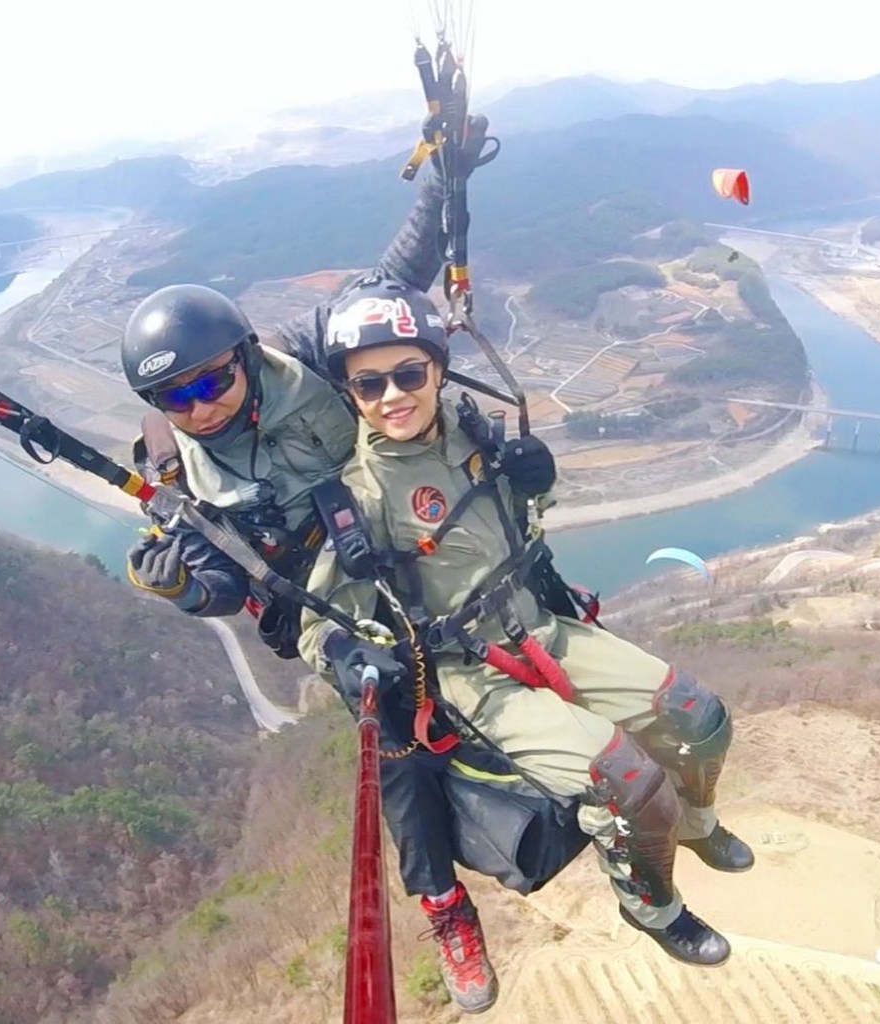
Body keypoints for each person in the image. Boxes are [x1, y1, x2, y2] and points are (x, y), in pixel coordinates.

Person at [118, 120, 591, 1015]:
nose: (201, 407)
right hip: (330, 603)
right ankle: (445, 906)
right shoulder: (178, 474)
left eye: (212, 382)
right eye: (175, 399)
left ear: (245, 357)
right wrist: (182, 588)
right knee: (396, 734)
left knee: (534, 617)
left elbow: (393, 282)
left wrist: (442, 183)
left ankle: (613, 793)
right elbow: (229, 584)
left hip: (404, 529)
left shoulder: (305, 355)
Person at [298, 277, 756, 979]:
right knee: (622, 776)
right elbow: (316, 624)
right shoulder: (361, 495)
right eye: (368, 385)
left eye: (408, 374)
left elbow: (523, 518)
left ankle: (696, 826)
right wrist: (346, 651)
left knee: (700, 719)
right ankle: (654, 908)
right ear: (350, 394)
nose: (392, 396)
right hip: (475, 673)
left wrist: (539, 481)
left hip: (543, 627)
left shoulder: (474, 435)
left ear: (438, 369)